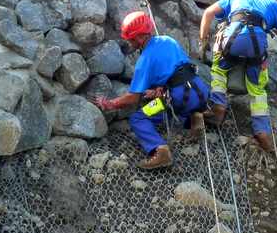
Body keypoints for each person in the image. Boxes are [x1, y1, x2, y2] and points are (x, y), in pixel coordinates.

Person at [92, 11, 226, 170]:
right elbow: (178, 68)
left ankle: (161, 151)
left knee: (138, 118)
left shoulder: (145, 59)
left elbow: (133, 98)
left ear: (140, 37)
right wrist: (159, 87)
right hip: (200, 90)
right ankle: (196, 115)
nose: (130, 42)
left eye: (131, 39)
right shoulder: (168, 40)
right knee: (173, 106)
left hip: (179, 97)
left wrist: (111, 104)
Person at [198, 0, 277, 152]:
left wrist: (203, 41)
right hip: (256, 45)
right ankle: (262, 131)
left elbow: (209, 13)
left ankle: (218, 106)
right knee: (258, 88)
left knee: (218, 68)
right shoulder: (275, 5)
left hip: (232, 39)